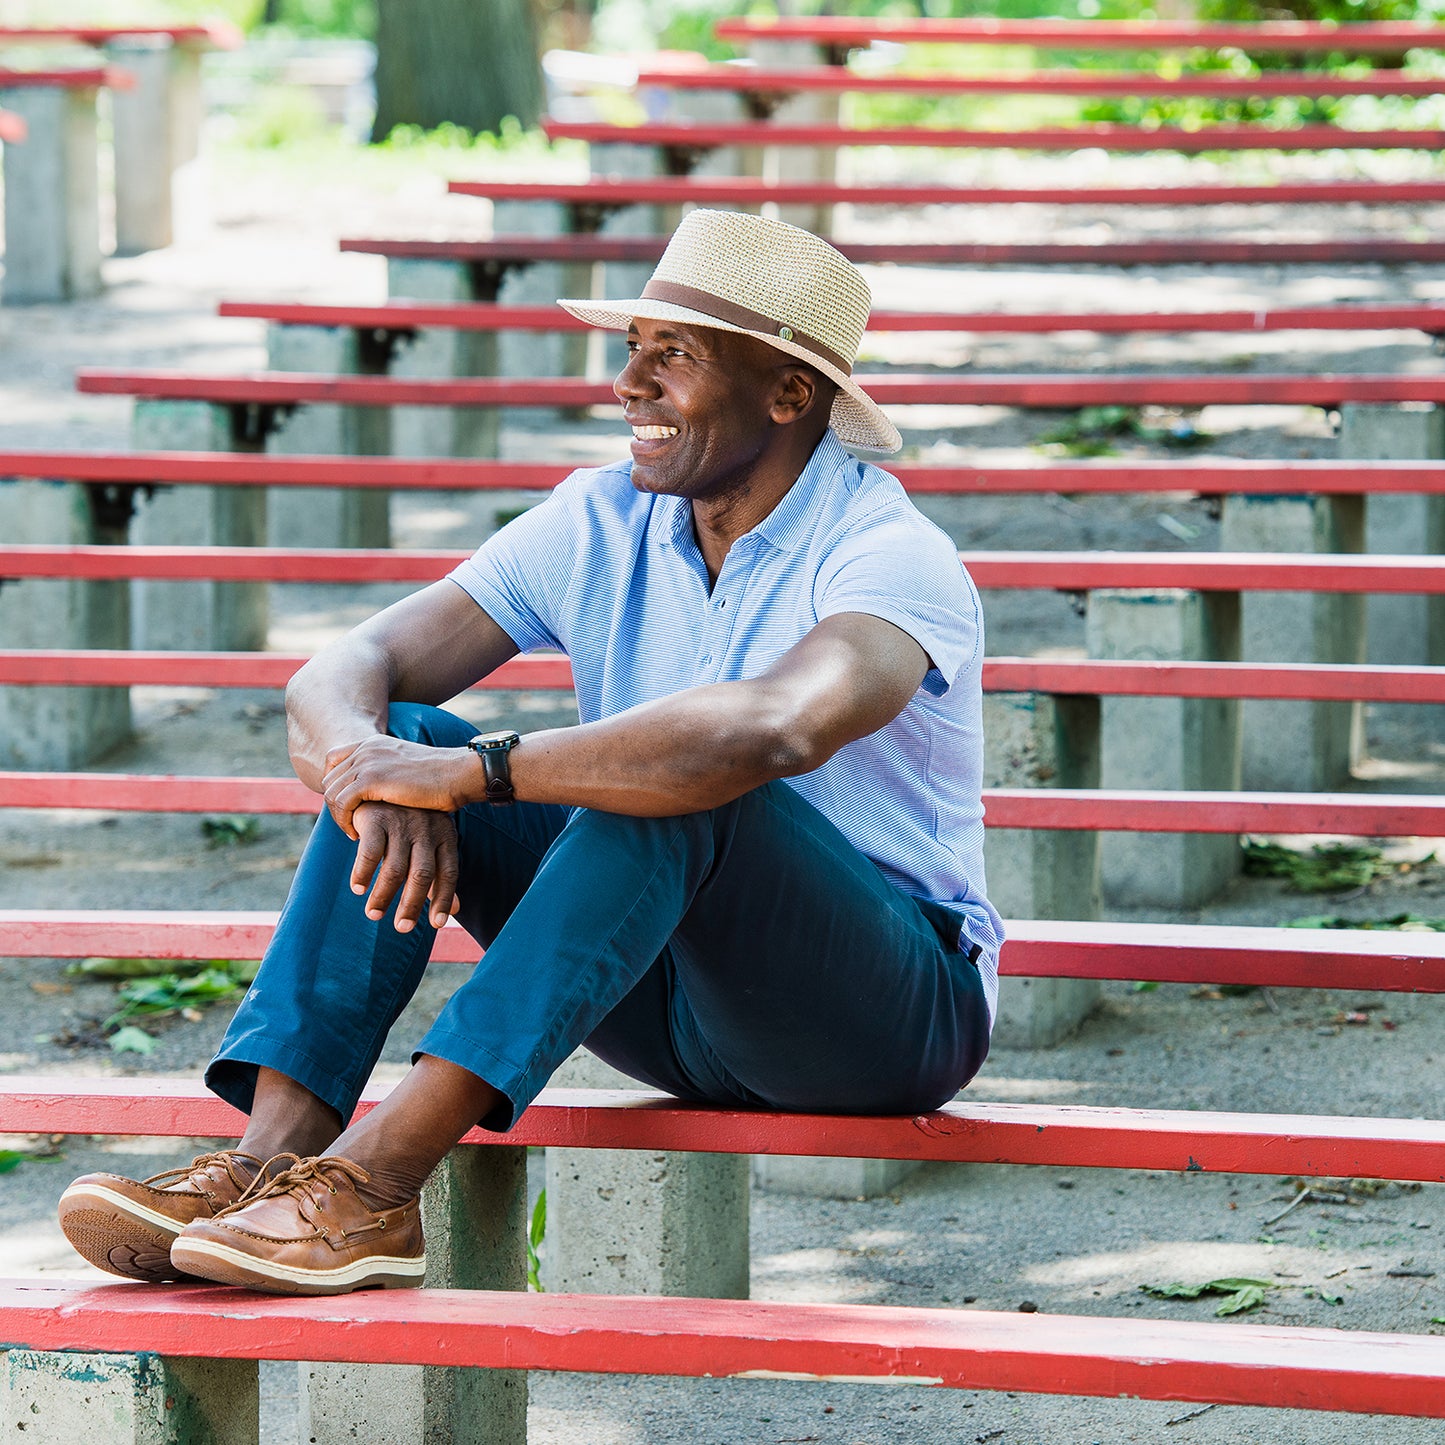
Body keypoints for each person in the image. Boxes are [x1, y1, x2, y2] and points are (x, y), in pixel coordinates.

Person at [58, 209, 1003, 1297]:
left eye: (674, 354)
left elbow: (769, 728)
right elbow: (343, 668)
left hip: (879, 1014)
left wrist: (477, 772)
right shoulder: (603, 516)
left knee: (684, 782)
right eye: (633, 347)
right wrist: (379, 766)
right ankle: (269, 1157)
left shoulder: (888, 555)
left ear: (788, 394)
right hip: (665, 1002)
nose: (629, 383)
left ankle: (373, 1183)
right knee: (405, 730)